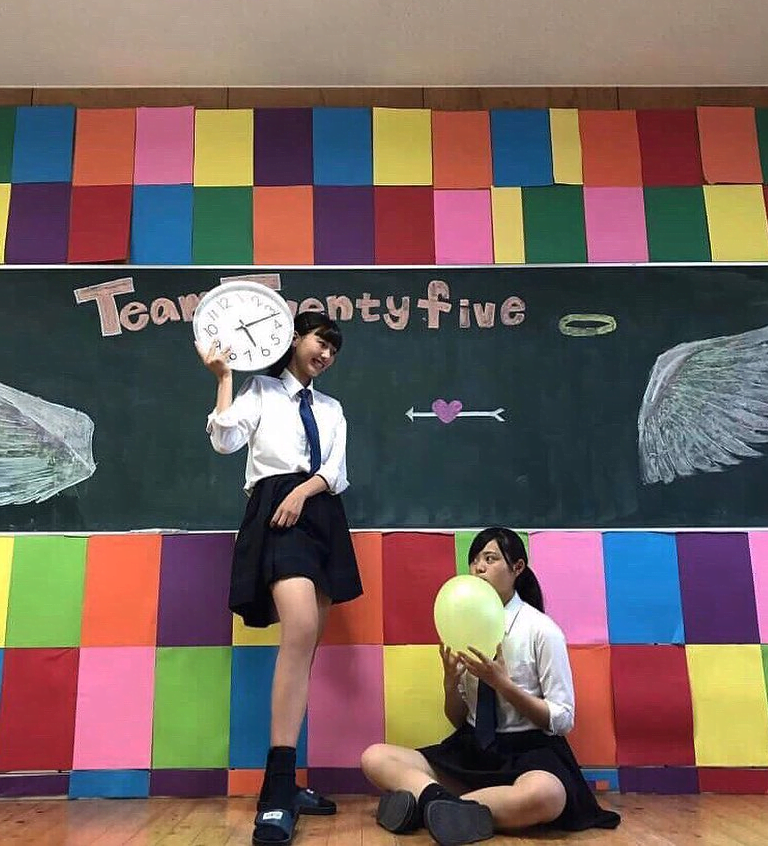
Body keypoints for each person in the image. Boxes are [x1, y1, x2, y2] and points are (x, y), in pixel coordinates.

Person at [197, 311, 363, 846]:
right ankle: (276, 788)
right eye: (321, 341)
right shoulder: (261, 391)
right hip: (275, 509)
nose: (327, 354)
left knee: (307, 646)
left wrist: (304, 491)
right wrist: (224, 378)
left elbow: (335, 470)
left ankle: (288, 782)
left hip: (320, 511)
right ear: (294, 339)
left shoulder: (332, 408)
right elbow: (225, 441)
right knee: (299, 629)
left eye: (334, 349)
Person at [360, 527, 620, 846]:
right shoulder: (463, 624)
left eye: (490, 559)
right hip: (474, 749)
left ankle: (427, 805)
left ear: (517, 568)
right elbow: (459, 719)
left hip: (529, 752)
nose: (478, 568)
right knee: (375, 757)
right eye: (474, 561)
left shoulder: (542, 630)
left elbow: (563, 719)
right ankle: (446, 807)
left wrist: (503, 685)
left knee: (547, 795)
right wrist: (450, 683)